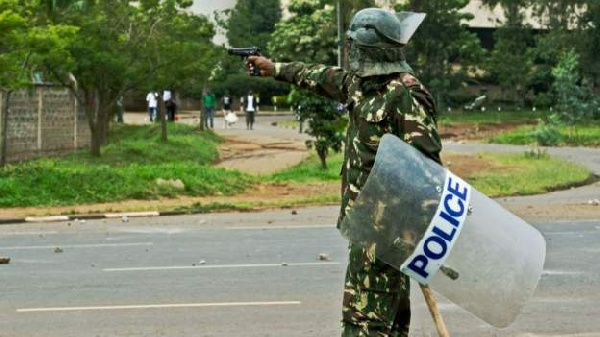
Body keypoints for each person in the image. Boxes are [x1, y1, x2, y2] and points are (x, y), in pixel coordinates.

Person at [248, 8, 442, 337]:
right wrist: (274, 68)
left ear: (374, 51)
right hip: (364, 227)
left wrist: (411, 236)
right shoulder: (359, 84)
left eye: (355, 47)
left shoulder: (405, 96)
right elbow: (318, 76)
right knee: (389, 326)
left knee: (363, 325)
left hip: (385, 233)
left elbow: (428, 173)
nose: (349, 53)